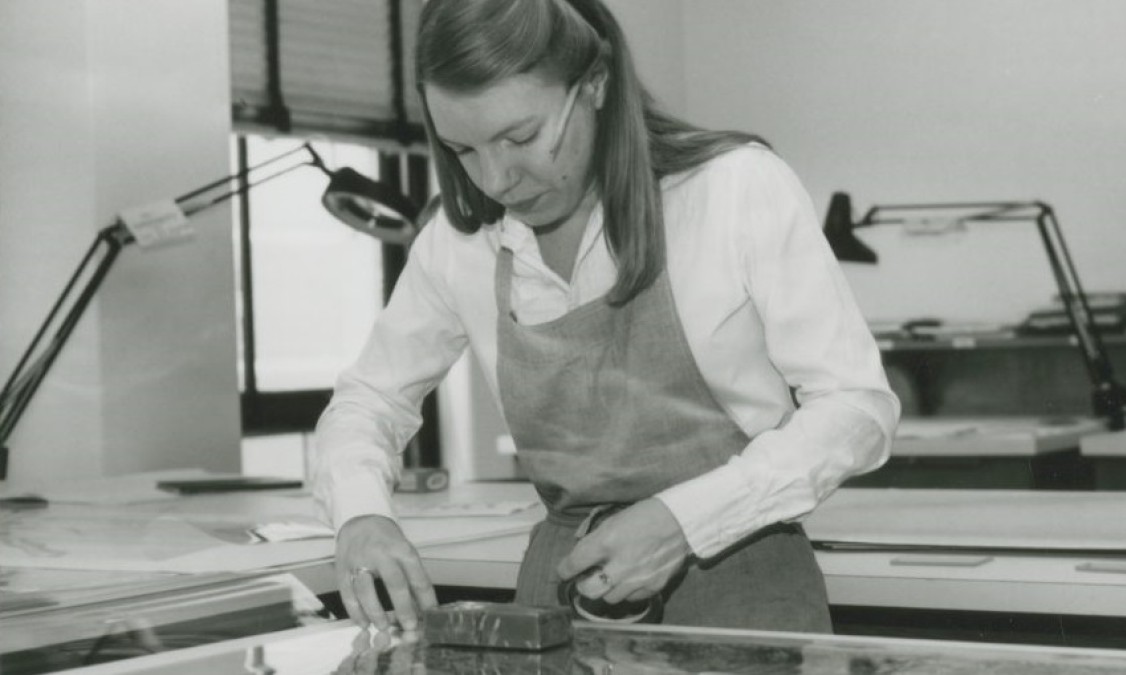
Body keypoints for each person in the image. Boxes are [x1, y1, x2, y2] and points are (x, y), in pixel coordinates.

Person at [312, 0, 899, 634]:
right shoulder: (459, 244)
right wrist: (361, 515)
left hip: (741, 587)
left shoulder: (733, 190)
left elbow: (856, 409)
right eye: (463, 150)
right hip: (559, 600)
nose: (497, 179)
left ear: (595, 83)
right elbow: (368, 400)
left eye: (522, 137)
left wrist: (685, 519)